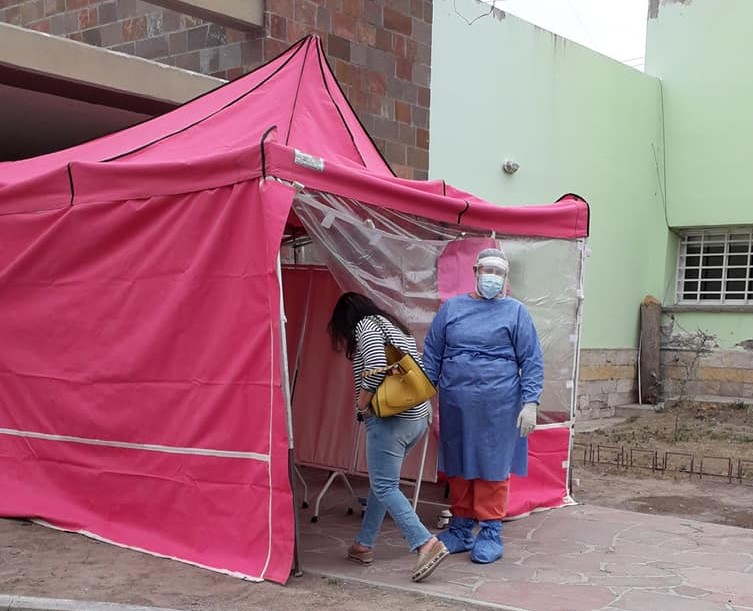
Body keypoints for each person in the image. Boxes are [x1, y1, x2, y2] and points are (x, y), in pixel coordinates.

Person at [422, 248, 544, 564]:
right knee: (459, 463)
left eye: (499, 273)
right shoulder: (451, 310)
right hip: (456, 402)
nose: (493, 278)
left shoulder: (516, 312)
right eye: (488, 270)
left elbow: (531, 359)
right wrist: (423, 395)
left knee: (492, 466)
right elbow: (432, 354)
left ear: (506, 279)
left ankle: (490, 531)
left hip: (499, 404)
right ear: (475, 271)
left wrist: (530, 402)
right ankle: (461, 529)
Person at [327, 292, 449, 582]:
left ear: (347, 317)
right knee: (384, 484)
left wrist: (362, 403)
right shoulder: (393, 326)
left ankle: (425, 542)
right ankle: (363, 545)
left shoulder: (366, 326)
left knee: (383, 485)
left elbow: (377, 364)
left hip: (390, 421)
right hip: (415, 418)